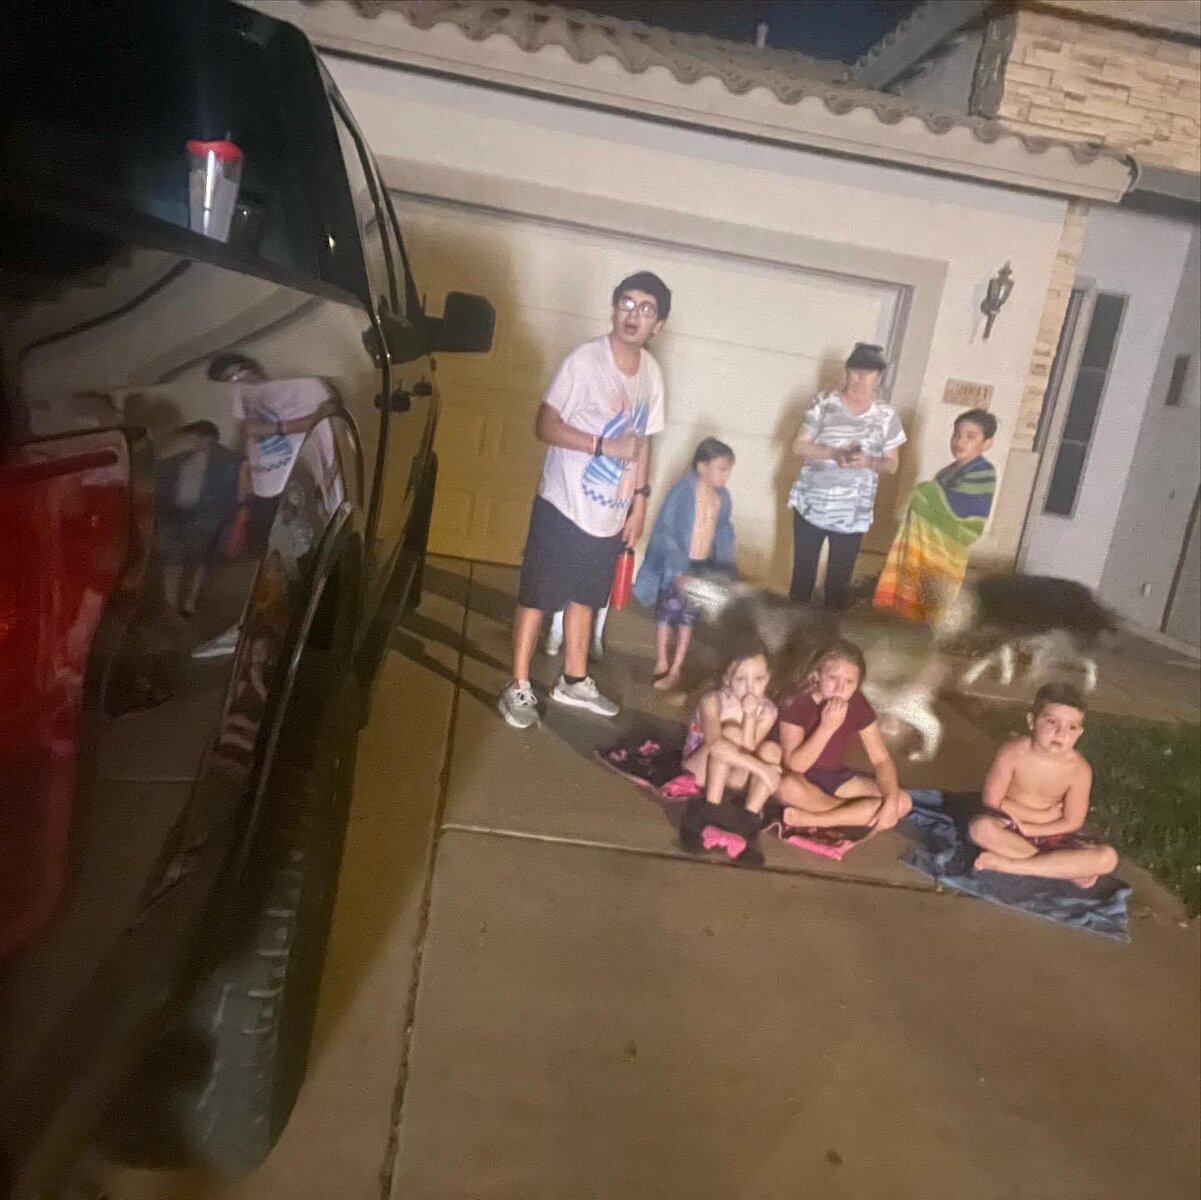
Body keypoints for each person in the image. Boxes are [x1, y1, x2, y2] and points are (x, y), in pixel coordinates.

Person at [498, 271, 671, 730]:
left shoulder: (651, 374)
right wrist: (602, 446)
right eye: (626, 303)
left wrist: (639, 501)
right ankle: (518, 684)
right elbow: (544, 424)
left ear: (658, 325)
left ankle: (573, 680)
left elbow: (644, 442)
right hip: (563, 503)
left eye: (646, 309)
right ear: (614, 309)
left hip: (609, 514)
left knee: (586, 598)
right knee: (538, 596)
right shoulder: (585, 361)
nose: (634, 315)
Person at [192, 353, 338, 658]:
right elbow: (243, 432)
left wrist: (276, 430)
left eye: (236, 377)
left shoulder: (303, 386)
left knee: (294, 565)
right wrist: (239, 473)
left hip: (293, 487)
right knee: (262, 565)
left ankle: (290, 636)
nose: (236, 385)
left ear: (250, 366)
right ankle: (249, 631)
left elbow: (328, 415)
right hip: (263, 489)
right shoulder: (242, 392)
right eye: (229, 382)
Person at [788, 343, 906, 609]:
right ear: (847, 372)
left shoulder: (886, 416)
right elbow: (799, 445)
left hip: (853, 511)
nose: (860, 379)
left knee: (838, 585)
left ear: (878, 377)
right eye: (855, 372)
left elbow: (892, 464)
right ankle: (795, 629)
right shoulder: (824, 403)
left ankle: (830, 632)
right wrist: (833, 453)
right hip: (812, 502)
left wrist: (869, 461)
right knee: (802, 579)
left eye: (867, 374)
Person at [969, 683, 1118, 888]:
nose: (1061, 733)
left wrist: (1032, 829)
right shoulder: (1012, 753)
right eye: (1052, 722)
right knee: (980, 829)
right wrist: (1042, 817)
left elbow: (1072, 822)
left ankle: (1011, 865)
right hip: (1009, 825)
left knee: (1108, 858)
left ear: (1080, 733)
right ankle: (1064, 871)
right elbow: (992, 801)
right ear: (1032, 721)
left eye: (1072, 727)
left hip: (1051, 834)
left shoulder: (1079, 769)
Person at [632, 437, 737, 691]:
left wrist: (725, 566)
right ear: (702, 466)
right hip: (675, 566)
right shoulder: (682, 492)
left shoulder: (722, 498)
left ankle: (676, 667)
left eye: (728, 470)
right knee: (665, 616)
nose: (725, 476)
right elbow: (666, 529)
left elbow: (723, 532)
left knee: (687, 620)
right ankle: (661, 661)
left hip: (699, 567)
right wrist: (675, 564)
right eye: (721, 469)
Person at [873, 408, 997, 624]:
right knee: (913, 600)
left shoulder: (984, 472)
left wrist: (926, 492)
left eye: (970, 436)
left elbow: (964, 513)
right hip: (924, 550)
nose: (960, 441)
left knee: (933, 602)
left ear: (986, 443)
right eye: (957, 434)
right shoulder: (946, 472)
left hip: (947, 552)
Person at [775, 639, 912, 832]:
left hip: (836, 778)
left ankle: (816, 819)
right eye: (833, 678)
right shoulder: (797, 702)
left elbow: (881, 759)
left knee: (902, 801)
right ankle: (850, 815)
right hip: (801, 779)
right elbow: (795, 765)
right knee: (785, 787)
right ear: (816, 675)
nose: (840, 689)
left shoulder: (856, 703)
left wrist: (890, 799)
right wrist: (827, 727)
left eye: (849, 682)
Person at [156, 420, 242, 618]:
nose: (188, 442)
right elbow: (159, 479)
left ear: (207, 439)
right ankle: (171, 605)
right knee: (173, 561)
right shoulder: (174, 456)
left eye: (192, 438)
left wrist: (225, 526)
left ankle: (190, 601)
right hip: (173, 514)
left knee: (200, 561)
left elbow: (231, 494)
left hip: (205, 517)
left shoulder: (225, 460)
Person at [681, 647, 781, 814]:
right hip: (699, 773)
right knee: (731, 734)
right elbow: (715, 746)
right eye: (741, 679)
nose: (750, 687)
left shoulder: (768, 711)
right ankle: (711, 808)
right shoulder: (713, 701)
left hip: (736, 775)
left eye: (758, 678)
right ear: (727, 679)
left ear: (768, 679)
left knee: (772, 750)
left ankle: (749, 815)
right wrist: (763, 770)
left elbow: (749, 749)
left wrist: (750, 717)